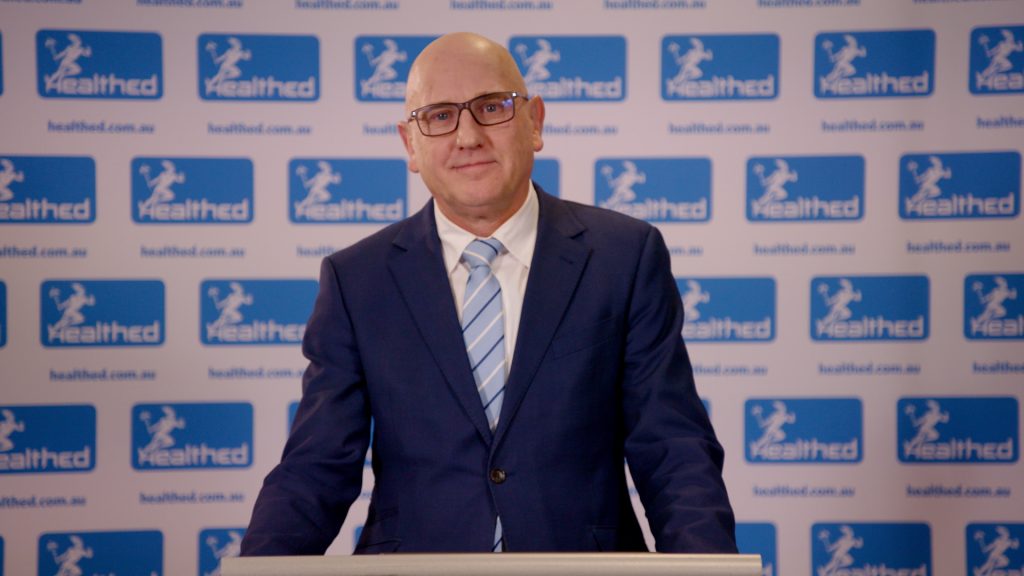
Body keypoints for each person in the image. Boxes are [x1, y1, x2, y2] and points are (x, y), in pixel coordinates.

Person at [241, 32, 736, 555]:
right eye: (439, 116)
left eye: (492, 107)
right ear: (410, 145)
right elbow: (315, 467)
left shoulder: (624, 257)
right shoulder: (357, 281)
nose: (468, 136)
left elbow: (673, 449)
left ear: (534, 121)